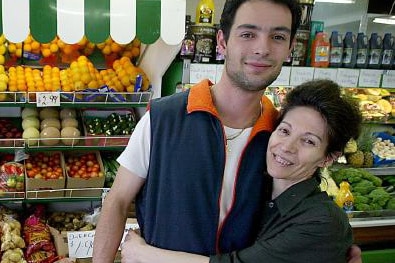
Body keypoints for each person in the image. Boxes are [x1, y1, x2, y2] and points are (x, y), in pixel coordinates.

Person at [93, 0, 362, 262]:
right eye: (248, 33)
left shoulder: (278, 139)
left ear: (290, 47)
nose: (262, 48)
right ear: (222, 41)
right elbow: (117, 201)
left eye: (278, 37)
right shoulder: (163, 119)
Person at [120, 79, 362, 263]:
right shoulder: (263, 192)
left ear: (329, 158)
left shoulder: (322, 221)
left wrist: (143, 253)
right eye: (285, 131)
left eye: (308, 141)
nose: (286, 147)